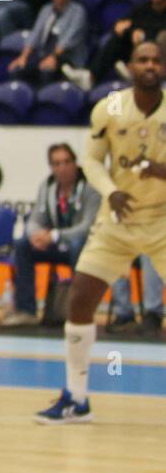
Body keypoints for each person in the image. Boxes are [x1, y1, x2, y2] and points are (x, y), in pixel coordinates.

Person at [36, 42, 166, 423]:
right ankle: (77, 397)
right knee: (80, 300)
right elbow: (91, 162)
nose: (149, 65)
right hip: (118, 219)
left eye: (156, 60)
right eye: (142, 59)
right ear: (130, 66)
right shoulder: (108, 108)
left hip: (162, 220)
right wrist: (111, 191)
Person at [4, 143, 99, 327]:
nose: (62, 168)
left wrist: (55, 235)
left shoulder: (89, 187)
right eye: (56, 163)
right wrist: (35, 235)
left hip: (82, 245)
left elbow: (88, 226)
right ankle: (26, 311)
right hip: (55, 244)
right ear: (51, 167)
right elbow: (35, 219)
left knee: (78, 245)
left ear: (75, 163)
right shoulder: (47, 187)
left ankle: (77, 313)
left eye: (66, 162)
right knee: (23, 245)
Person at [7, 0, 87, 85]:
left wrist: (53, 57)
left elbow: (70, 39)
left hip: (67, 58)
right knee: (18, 69)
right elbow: (36, 33)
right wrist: (23, 57)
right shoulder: (46, 9)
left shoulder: (78, 11)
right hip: (44, 55)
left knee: (47, 70)